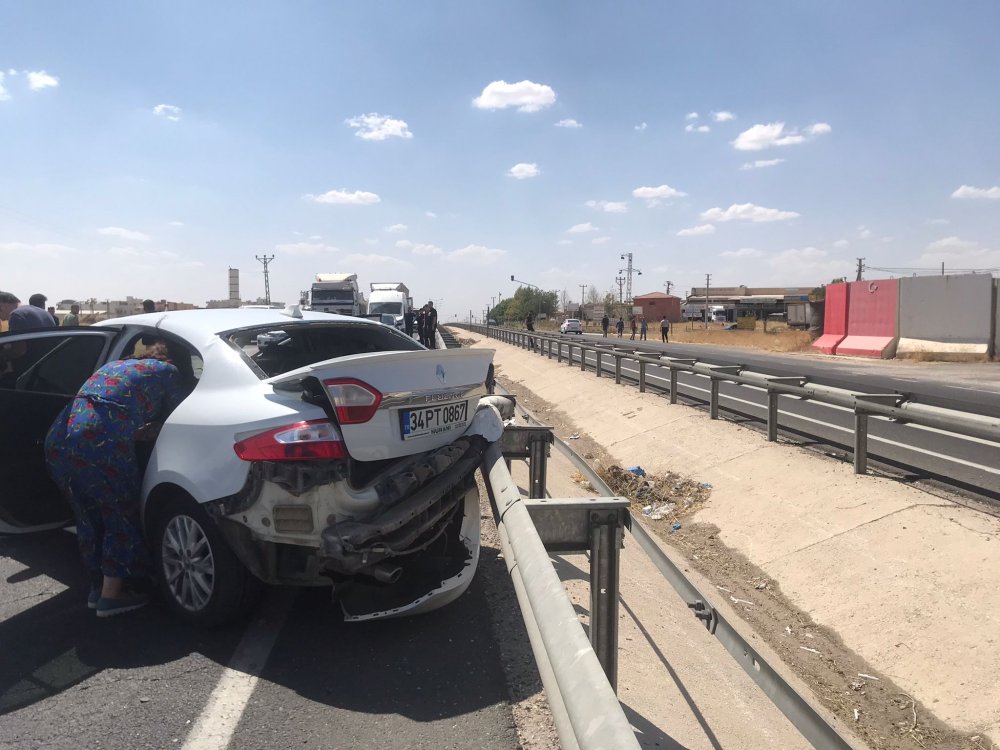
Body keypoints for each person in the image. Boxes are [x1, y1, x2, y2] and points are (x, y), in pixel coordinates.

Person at [44, 339, 188, 617]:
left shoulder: (115, 365)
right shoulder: (169, 373)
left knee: (88, 514)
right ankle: (112, 596)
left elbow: (114, 405)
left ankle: (97, 588)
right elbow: (180, 416)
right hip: (100, 442)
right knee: (119, 513)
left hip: (60, 438)